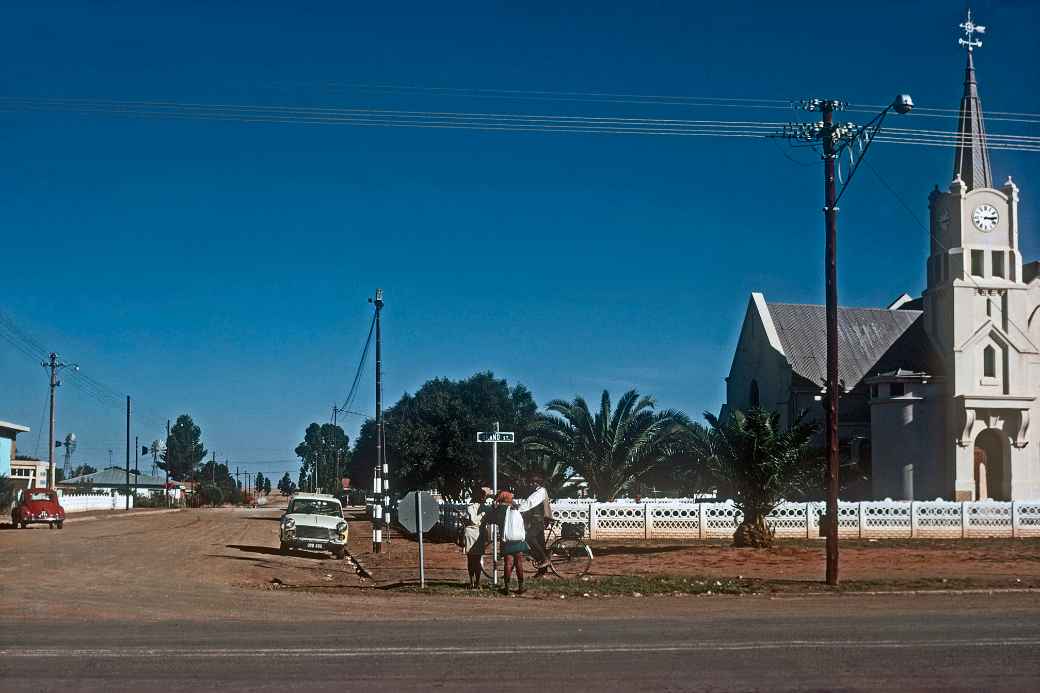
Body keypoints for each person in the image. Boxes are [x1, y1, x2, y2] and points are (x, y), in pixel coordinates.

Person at [483, 490, 529, 595]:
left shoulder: (500, 510)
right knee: (519, 563)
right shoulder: (515, 507)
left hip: (506, 540)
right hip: (517, 538)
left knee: (508, 563)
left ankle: (507, 588)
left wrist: (494, 507)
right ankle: (521, 587)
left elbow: (490, 520)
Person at [518, 474, 551, 571]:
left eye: (532, 483)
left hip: (538, 520)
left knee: (529, 537)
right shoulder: (538, 491)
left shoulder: (540, 492)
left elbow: (530, 502)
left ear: (536, 483)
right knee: (540, 544)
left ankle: (544, 558)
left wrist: (518, 509)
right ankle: (542, 570)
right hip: (537, 520)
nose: (530, 485)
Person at [463, 485, 489, 588]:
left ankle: (477, 582)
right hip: (471, 534)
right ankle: (471, 581)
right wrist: (482, 515)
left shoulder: (484, 508)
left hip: (479, 533)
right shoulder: (471, 507)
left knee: (477, 559)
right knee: (471, 559)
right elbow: (474, 520)